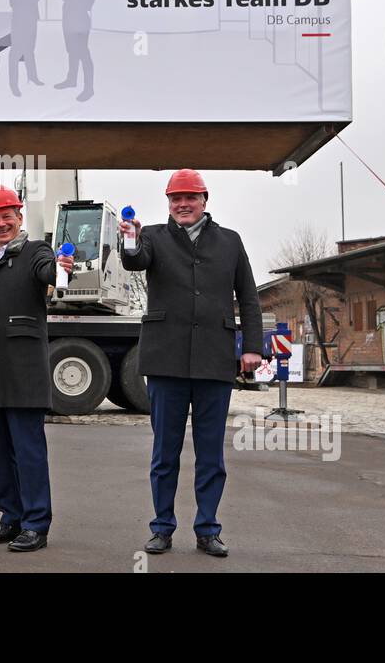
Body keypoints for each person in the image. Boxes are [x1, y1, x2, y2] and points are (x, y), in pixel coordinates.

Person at [119, 169, 264, 557]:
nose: (183, 204)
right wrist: (129, 237)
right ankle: (162, 528)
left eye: (190, 197)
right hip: (166, 360)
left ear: (204, 200)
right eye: (175, 198)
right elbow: (135, 261)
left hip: (215, 360)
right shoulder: (151, 235)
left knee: (211, 454)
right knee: (165, 452)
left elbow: (248, 298)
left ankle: (208, 529)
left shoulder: (230, 242)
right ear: (168, 203)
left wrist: (251, 346)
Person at [0, 185, 73, 552]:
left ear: (19, 217)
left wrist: (61, 269)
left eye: (6, 217)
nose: (1, 223)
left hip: (23, 375)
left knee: (28, 451)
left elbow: (50, 272)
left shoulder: (35, 252)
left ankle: (35, 523)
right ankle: (10, 517)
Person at [53, 0, 97, 102]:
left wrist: (74, 4)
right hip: (70, 19)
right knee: (72, 51)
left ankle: (89, 89)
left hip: (79, 19)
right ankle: (71, 80)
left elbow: (88, 1)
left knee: (83, 53)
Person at [6, 0, 50, 97]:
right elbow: (15, 2)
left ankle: (32, 77)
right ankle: (14, 85)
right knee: (16, 52)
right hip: (21, 20)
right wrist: (29, 2)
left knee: (29, 50)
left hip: (30, 20)